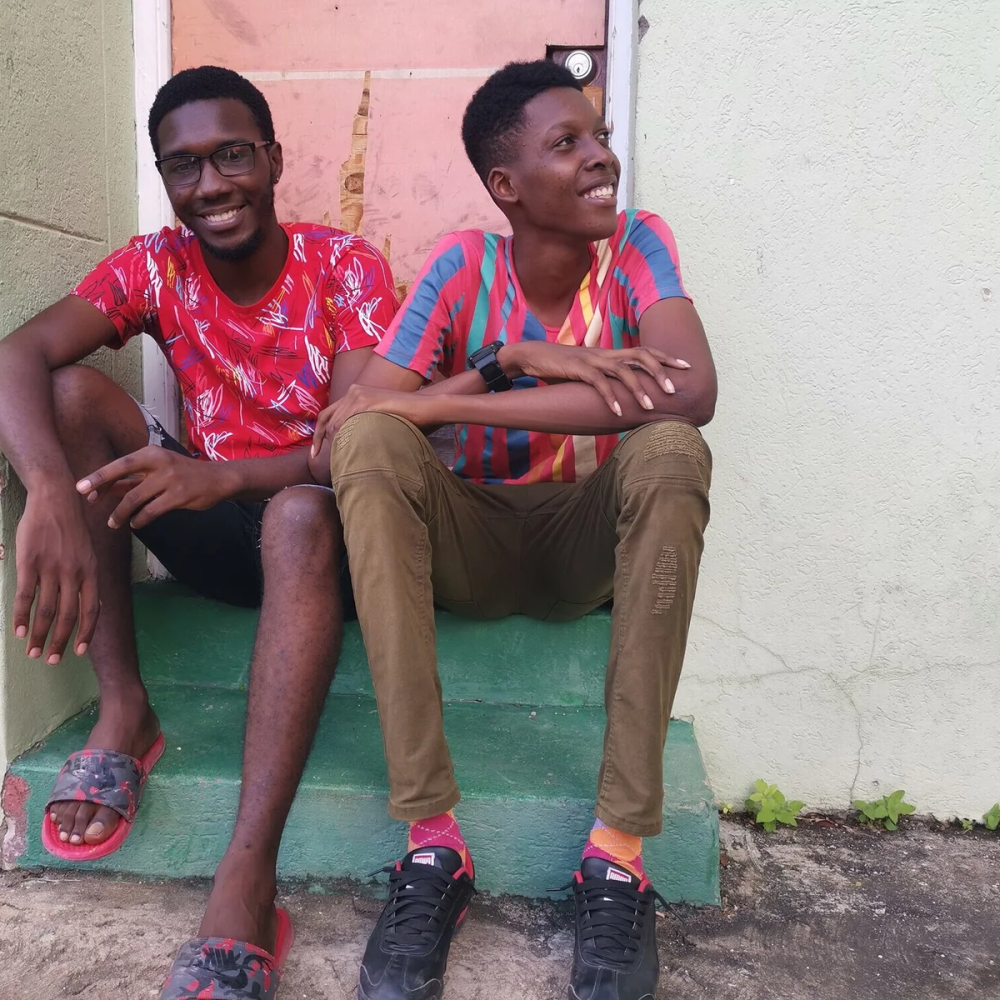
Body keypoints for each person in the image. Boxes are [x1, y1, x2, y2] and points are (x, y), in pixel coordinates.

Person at [309, 59, 717, 1000]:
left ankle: (617, 855)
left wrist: (488, 398)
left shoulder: (640, 245)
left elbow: (689, 391)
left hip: (586, 542)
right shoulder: (462, 266)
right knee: (374, 440)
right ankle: (431, 846)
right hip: (473, 542)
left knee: (669, 451)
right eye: (566, 144)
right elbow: (354, 429)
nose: (598, 158)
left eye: (600, 138)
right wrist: (507, 365)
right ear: (506, 185)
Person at [0, 66, 397, 998]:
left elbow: (349, 453)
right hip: (223, 537)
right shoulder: (154, 267)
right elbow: (17, 352)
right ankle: (124, 708)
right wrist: (51, 488)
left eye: (231, 156)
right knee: (66, 397)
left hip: (326, 547)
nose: (210, 185)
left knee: (302, 510)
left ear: (272, 160)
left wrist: (217, 473)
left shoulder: (345, 267)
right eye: (184, 166)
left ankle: (247, 877)